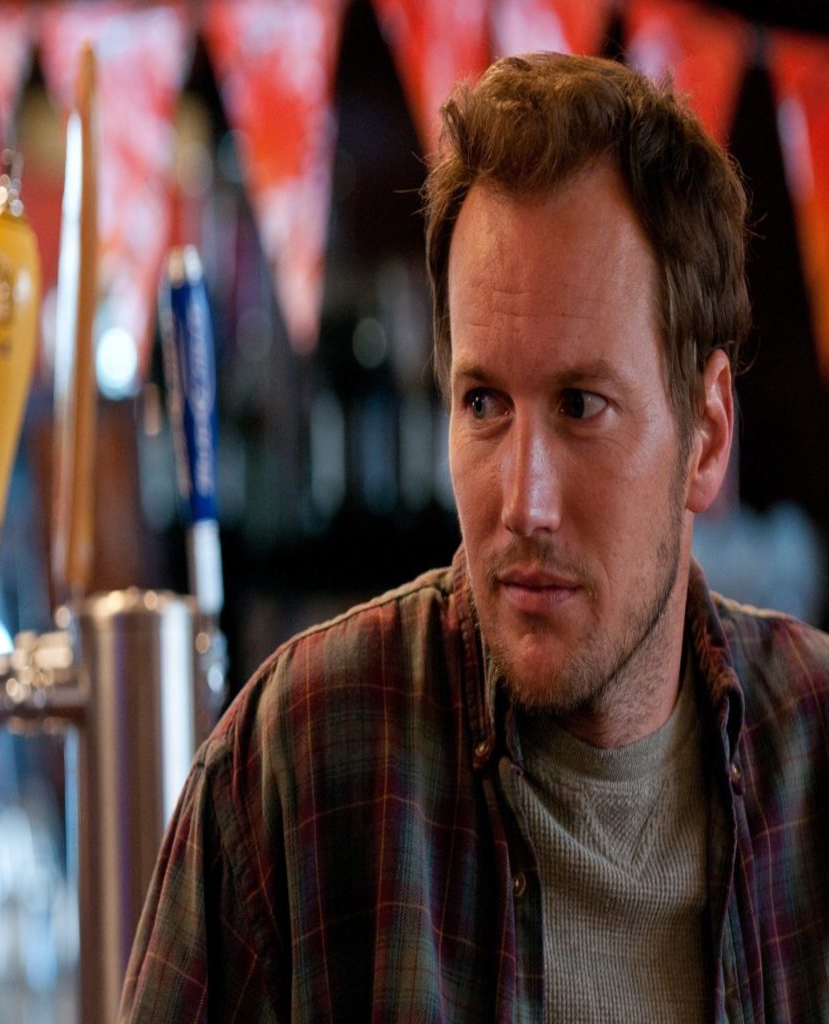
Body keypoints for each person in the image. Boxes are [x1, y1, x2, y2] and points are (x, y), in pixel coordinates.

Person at [119, 53, 829, 1022]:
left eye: (580, 406)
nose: (523, 502)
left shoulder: (812, 762)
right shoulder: (297, 764)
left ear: (704, 437)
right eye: (484, 403)